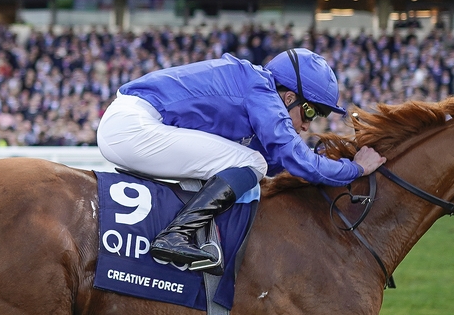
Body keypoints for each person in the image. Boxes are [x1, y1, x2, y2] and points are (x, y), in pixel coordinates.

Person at [97, 48, 386, 270]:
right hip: (132, 126)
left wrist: (332, 158)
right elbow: (294, 161)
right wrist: (356, 168)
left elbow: (277, 160)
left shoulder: (256, 87)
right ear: (288, 99)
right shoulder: (260, 89)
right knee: (252, 164)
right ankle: (174, 236)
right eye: (311, 112)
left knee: (251, 163)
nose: (308, 125)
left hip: (131, 125)